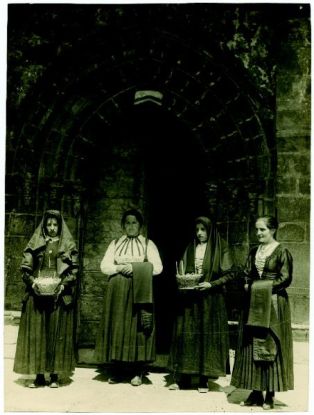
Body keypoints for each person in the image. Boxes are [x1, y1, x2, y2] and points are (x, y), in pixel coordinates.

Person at [230, 215, 294, 410]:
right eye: (257, 230)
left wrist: (259, 287)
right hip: (254, 303)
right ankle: (255, 391)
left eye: (262, 230)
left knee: (269, 344)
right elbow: (247, 273)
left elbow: (285, 278)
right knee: (251, 345)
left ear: (272, 230)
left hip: (273, 303)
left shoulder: (282, 251)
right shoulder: (253, 251)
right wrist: (247, 283)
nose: (258, 233)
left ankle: (270, 394)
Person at [168, 216, 236, 392]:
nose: (199, 233)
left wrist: (211, 284)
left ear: (210, 230)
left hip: (211, 300)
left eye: (203, 229)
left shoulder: (221, 247)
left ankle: (203, 379)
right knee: (188, 336)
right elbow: (183, 269)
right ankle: (183, 376)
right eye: (197, 229)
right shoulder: (191, 247)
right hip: (191, 299)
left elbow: (230, 274)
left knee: (207, 338)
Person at [95, 209, 163, 386]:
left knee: (137, 328)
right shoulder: (116, 243)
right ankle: (117, 370)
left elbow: (158, 268)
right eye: (127, 223)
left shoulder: (148, 244)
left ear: (140, 225)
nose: (131, 226)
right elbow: (104, 265)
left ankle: (137, 371)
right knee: (118, 327)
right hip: (117, 291)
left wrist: (134, 268)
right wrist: (118, 268)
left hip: (138, 289)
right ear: (123, 226)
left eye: (134, 223)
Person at [13, 209, 79, 388]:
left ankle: (55, 375)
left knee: (55, 333)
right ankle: (39, 375)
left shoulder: (68, 245)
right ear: (44, 226)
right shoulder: (36, 243)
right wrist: (33, 283)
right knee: (39, 334)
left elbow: (74, 270)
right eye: (48, 224)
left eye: (55, 224)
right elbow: (25, 268)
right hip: (38, 295)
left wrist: (63, 284)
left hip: (58, 295)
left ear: (60, 226)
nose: (52, 228)